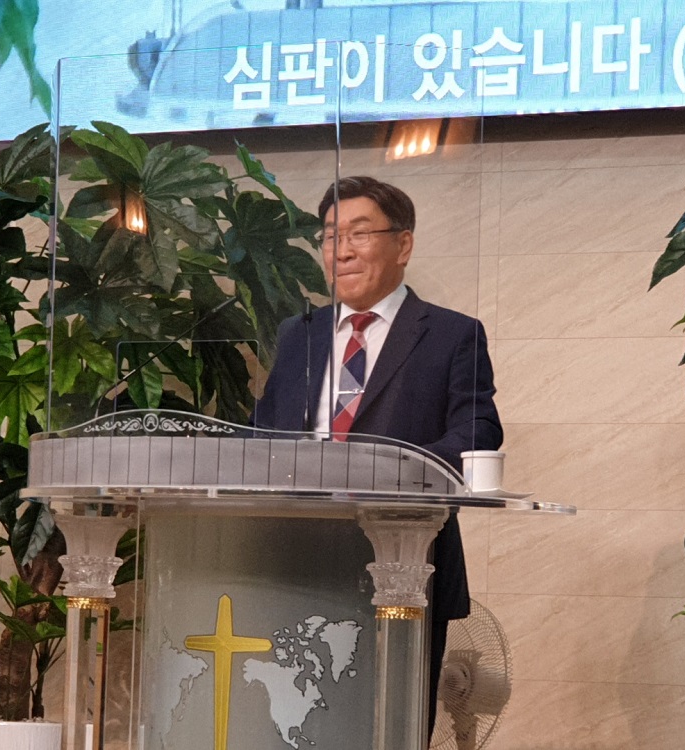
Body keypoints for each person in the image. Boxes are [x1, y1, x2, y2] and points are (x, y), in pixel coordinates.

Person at [254, 175, 503, 738]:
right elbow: (265, 432)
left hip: (403, 561)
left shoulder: (451, 334)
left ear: (403, 245)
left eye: (359, 234)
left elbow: (477, 430)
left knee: (391, 724)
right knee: (295, 721)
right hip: (294, 560)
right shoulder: (299, 334)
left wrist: (387, 471)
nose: (340, 251)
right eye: (329, 236)